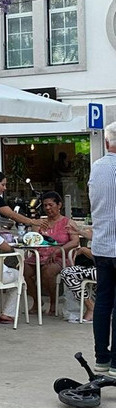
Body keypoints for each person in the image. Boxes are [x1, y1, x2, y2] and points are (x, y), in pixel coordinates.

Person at [24, 192, 81, 316]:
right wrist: (36, 229)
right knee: (25, 270)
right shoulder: (41, 222)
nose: (48, 208)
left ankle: (53, 302)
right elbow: (33, 240)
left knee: (48, 271)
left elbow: (75, 241)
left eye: (50, 205)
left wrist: (58, 250)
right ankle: (36, 301)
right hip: (39, 255)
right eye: (45, 205)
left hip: (59, 257)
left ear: (59, 205)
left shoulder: (68, 223)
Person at [88, 121, 116, 373]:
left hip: (102, 245)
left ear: (106, 143)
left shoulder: (96, 167)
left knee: (103, 301)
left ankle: (101, 357)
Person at [60, 226, 96, 323]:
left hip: (105, 269)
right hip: (99, 268)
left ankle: (91, 307)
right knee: (70, 272)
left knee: (67, 273)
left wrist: (85, 251)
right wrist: (79, 231)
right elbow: (96, 236)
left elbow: (104, 258)